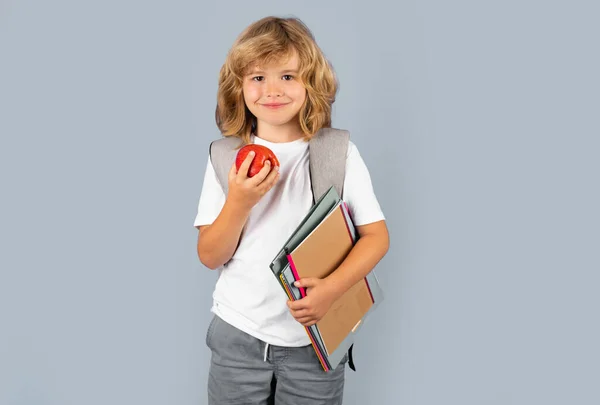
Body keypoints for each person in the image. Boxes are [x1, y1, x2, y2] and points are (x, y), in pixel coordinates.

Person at [193, 15, 389, 405]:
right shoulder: (225, 156)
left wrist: (332, 290)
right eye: (257, 77)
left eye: (287, 76)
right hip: (238, 337)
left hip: (313, 344)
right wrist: (239, 201)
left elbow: (377, 237)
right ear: (239, 87)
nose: (272, 90)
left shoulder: (338, 153)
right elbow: (210, 255)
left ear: (311, 83)